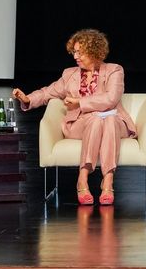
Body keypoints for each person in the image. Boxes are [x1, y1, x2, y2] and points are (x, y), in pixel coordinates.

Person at [12, 28, 136, 206]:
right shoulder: (70, 74)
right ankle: (84, 178)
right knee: (95, 119)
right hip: (79, 123)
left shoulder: (114, 70)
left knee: (106, 119)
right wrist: (28, 99)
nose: (75, 56)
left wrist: (79, 102)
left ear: (94, 51)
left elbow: (111, 99)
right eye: (74, 52)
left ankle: (107, 180)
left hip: (115, 122)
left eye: (80, 52)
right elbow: (48, 92)